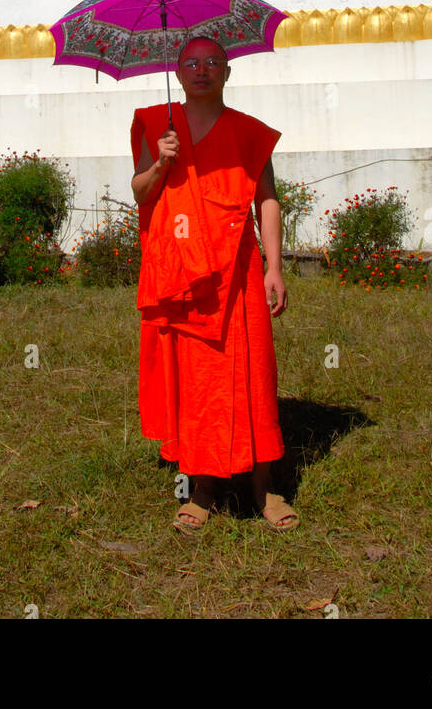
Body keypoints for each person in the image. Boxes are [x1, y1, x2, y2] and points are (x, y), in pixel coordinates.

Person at [130, 36, 299, 533]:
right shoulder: (154, 124)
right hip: (182, 268)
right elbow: (140, 192)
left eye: (212, 62)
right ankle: (202, 485)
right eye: (191, 63)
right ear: (178, 73)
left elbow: (266, 199)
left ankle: (263, 483)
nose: (201, 70)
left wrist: (274, 265)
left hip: (239, 268)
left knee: (251, 370)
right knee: (197, 376)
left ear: (228, 71)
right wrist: (161, 161)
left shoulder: (248, 133)